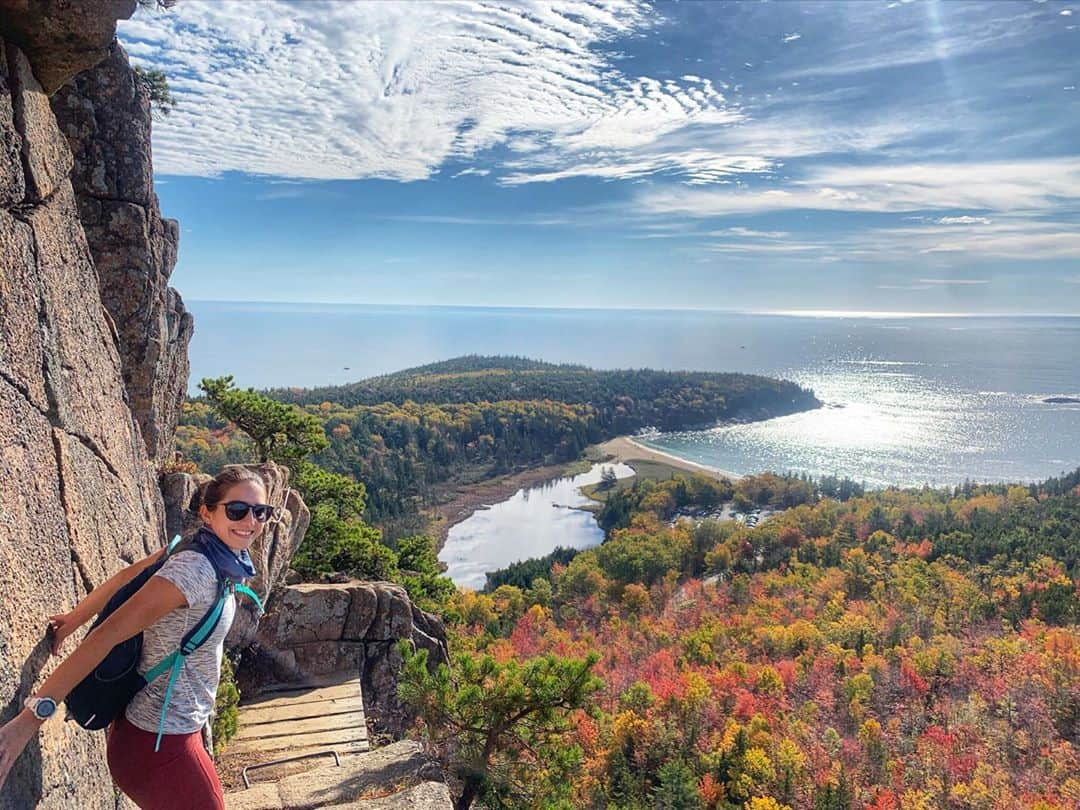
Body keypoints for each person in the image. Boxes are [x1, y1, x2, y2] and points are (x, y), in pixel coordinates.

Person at [0, 466, 273, 809]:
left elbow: (127, 578)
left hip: (168, 732)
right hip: (159, 744)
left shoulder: (209, 552)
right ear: (207, 512)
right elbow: (108, 634)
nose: (250, 520)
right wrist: (29, 719)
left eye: (260, 511)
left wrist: (72, 619)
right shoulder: (195, 571)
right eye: (237, 510)